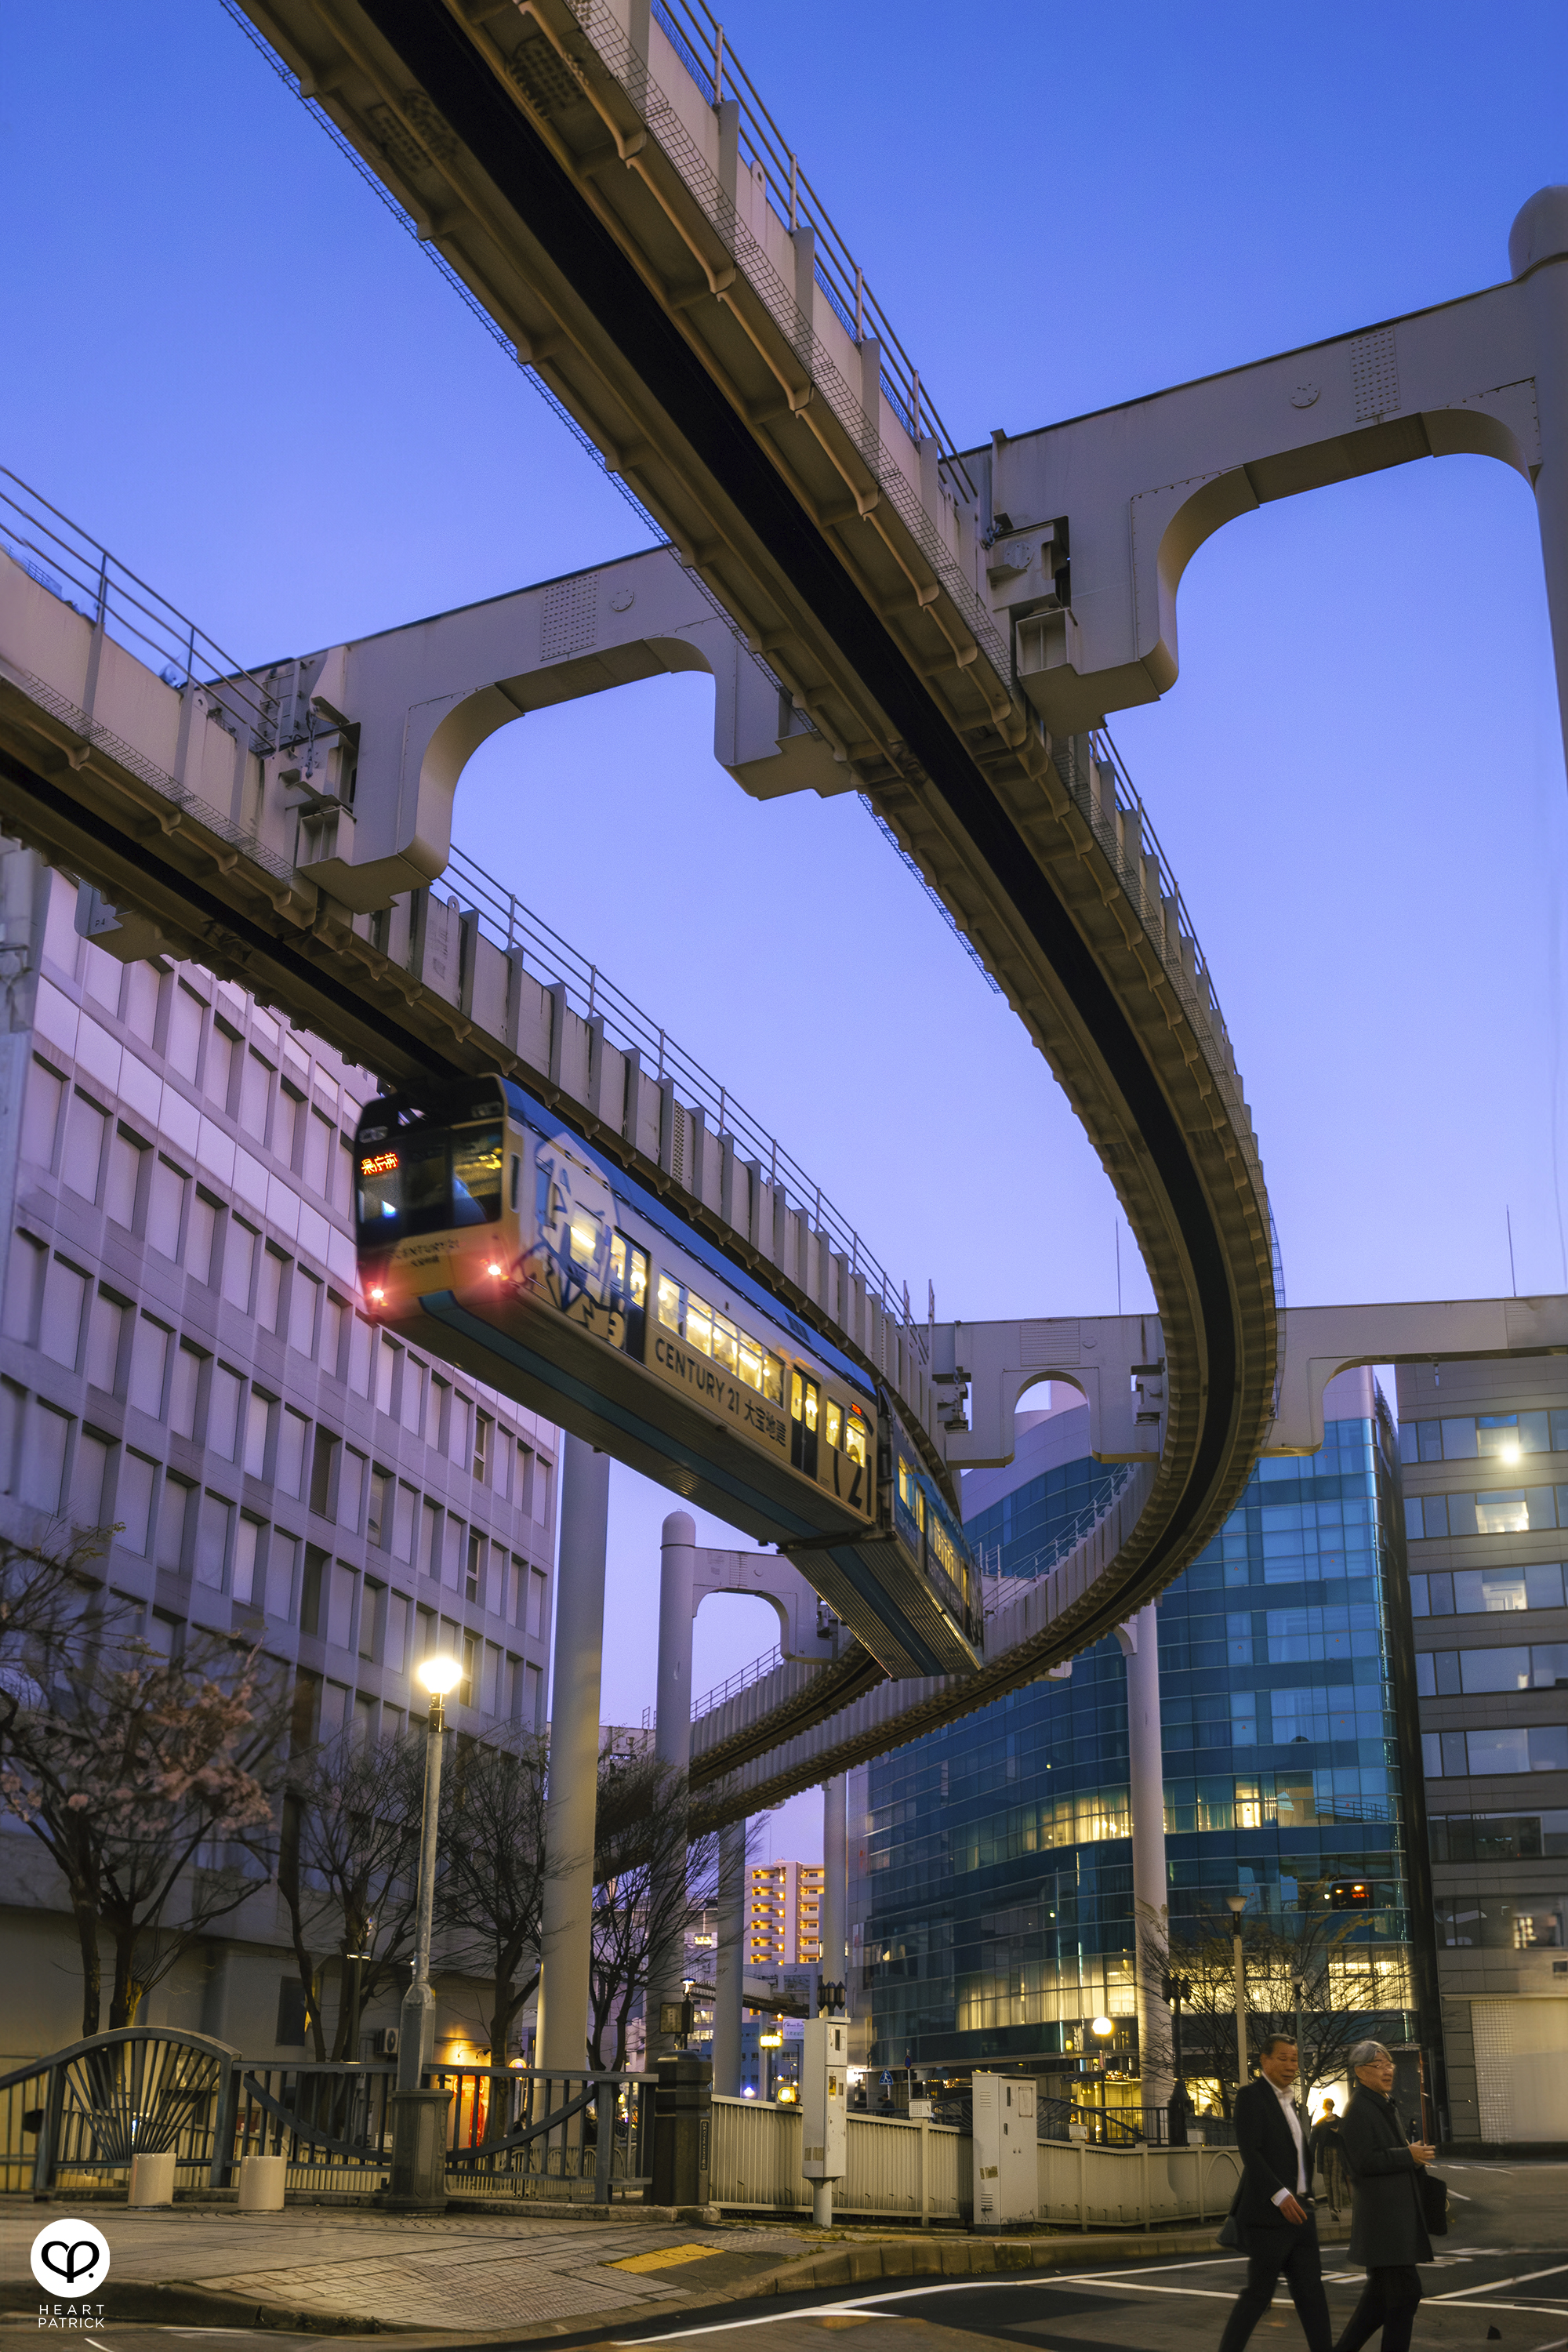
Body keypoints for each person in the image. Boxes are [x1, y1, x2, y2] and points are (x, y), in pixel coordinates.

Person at [1216, 2034, 1332, 2352]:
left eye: (1294, 2059)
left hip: (1302, 2214)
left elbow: (1295, 2154)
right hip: (1270, 2215)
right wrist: (1280, 2195)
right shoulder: (1251, 2097)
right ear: (1264, 2061)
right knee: (1259, 2294)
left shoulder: (1290, 2102)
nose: (1290, 2065)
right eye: (1282, 2058)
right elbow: (1251, 2152)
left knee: (1312, 2293)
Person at [1333, 2041, 1435, 2352]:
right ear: (1361, 2072)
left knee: (1380, 2302)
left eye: (1389, 2064)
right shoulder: (1360, 2109)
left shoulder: (1381, 2103)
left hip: (1391, 2220)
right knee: (1406, 2294)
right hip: (1384, 2223)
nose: (1388, 2070)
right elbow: (1364, 2162)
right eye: (1379, 2065)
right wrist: (1408, 2155)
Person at [1312, 2097, 1347, 2220]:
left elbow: (1347, 2136)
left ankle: (1335, 2208)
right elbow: (1313, 2141)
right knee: (1329, 2182)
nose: (1328, 2108)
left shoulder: (1337, 2122)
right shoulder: (1321, 2124)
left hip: (1336, 2153)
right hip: (1326, 2154)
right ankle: (1333, 2209)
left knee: (1334, 2181)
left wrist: (1340, 2132)